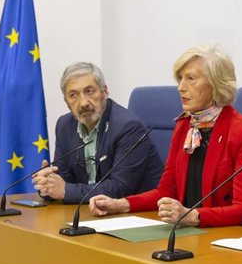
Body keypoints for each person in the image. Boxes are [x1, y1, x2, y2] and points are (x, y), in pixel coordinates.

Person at [89, 45, 242, 231]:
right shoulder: (185, 126)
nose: (181, 87)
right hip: (196, 231)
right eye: (180, 79)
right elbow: (165, 192)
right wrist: (119, 204)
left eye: (191, 79)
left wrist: (193, 216)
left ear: (216, 84)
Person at [31, 62, 163, 203]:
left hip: (138, 214)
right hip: (91, 210)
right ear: (66, 101)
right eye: (73, 95)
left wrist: (64, 190)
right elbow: (65, 179)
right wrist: (48, 185)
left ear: (105, 92)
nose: (83, 103)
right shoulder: (64, 125)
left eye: (89, 91)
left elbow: (119, 188)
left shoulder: (128, 127)